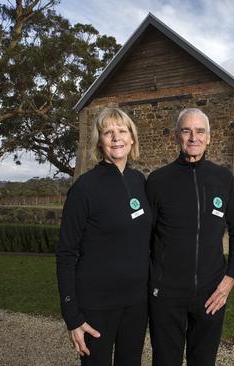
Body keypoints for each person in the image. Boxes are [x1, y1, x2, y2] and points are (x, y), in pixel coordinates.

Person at [146, 108, 234, 366]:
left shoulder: (222, 178)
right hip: (166, 296)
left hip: (211, 294)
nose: (194, 137)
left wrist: (230, 278)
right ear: (177, 136)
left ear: (209, 137)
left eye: (200, 131)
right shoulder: (157, 181)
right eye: (187, 130)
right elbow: (145, 237)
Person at [56, 107, 152, 366]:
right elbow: (66, 254)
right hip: (97, 305)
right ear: (99, 141)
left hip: (136, 303)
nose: (116, 137)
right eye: (108, 132)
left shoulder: (139, 182)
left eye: (122, 131)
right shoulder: (84, 188)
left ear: (132, 138)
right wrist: (72, 316)